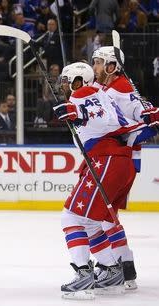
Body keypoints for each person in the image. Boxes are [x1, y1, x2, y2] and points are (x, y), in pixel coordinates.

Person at [53, 62, 146, 299]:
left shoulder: (84, 93)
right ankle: (112, 271)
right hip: (116, 162)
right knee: (93, 223)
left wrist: (77, 112)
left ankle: (84, 275)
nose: (64, 85)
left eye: (67, 80)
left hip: (106, 161)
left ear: (79, 81)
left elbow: (100, 118)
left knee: (71, 217)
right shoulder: (98, 92)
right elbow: (114, 121)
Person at [91, 46, 159, 289]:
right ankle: (126, 269)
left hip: (118, 161)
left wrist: (147, 115)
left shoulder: (121, 89)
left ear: (111, 67)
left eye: (99, 63)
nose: (94, 67)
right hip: (116, 160)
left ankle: (113, 268)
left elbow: (148, 118)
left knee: (92, 217)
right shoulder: (110, 87)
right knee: (108, 218)